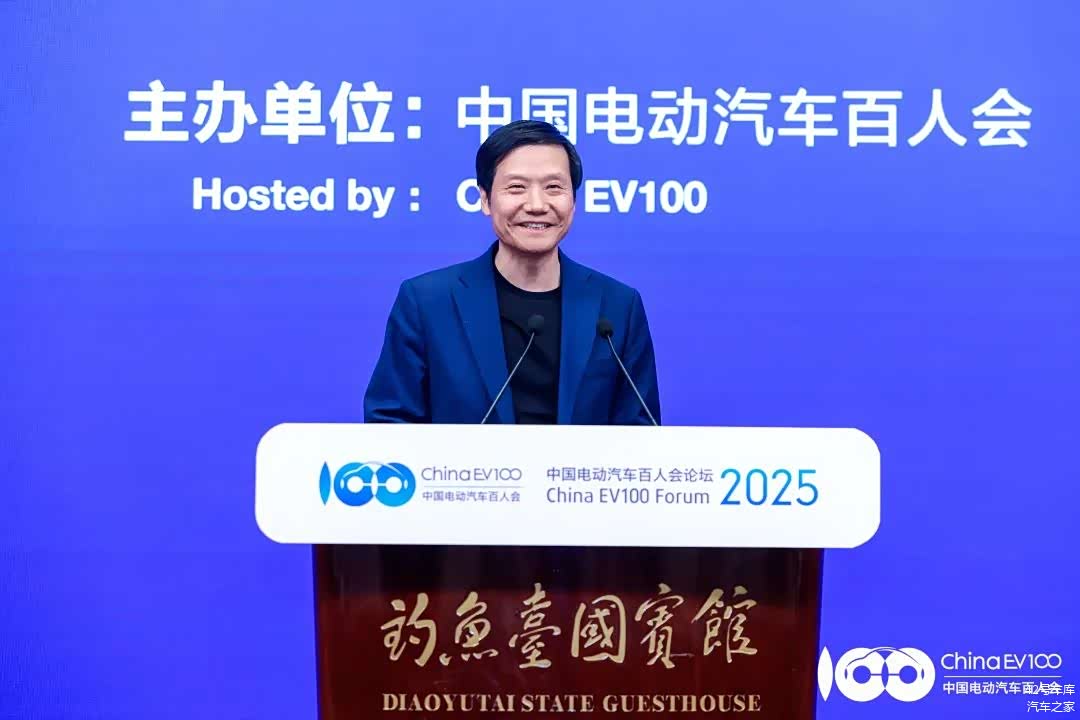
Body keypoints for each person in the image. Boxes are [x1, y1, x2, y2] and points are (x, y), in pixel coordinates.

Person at [363, 120, 661, 425]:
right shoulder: (427, 302)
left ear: (573, 201)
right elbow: (389, 422)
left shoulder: (617, 306)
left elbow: (641, 431)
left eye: (553, 188)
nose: (536, 205)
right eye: (517, 187)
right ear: (485, 199)